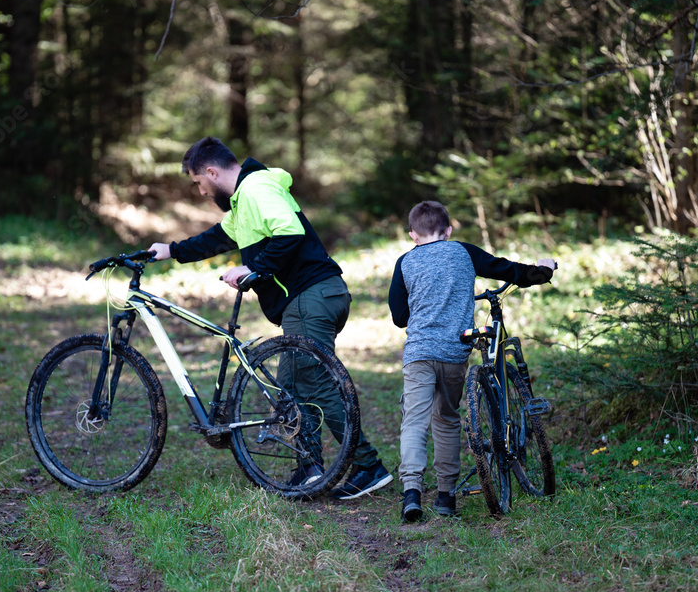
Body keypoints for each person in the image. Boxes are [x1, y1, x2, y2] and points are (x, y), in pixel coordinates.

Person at [148, 136, 393, 499]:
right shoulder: (245, 201)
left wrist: (254, 268)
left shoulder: (256, 188)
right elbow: (218, 238)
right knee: (292, 385)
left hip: (311, 297)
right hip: (317, 297)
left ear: (212, 172)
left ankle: (368, 466)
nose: (200, 191)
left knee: (316, 384)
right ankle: (310, 468)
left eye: (198, 182)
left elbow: (289, 234)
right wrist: (172, 251)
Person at [388, 201, 555, 522]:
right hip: (454, 353)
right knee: (447, 418)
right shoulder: (462, 251)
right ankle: (446, 497)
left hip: (419, 353)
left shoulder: (405, 262)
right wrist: (543, 271)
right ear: (449, 231)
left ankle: (411, 493)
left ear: (412, 235)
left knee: (414, 421)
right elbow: (509, 270)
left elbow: (399, 317)